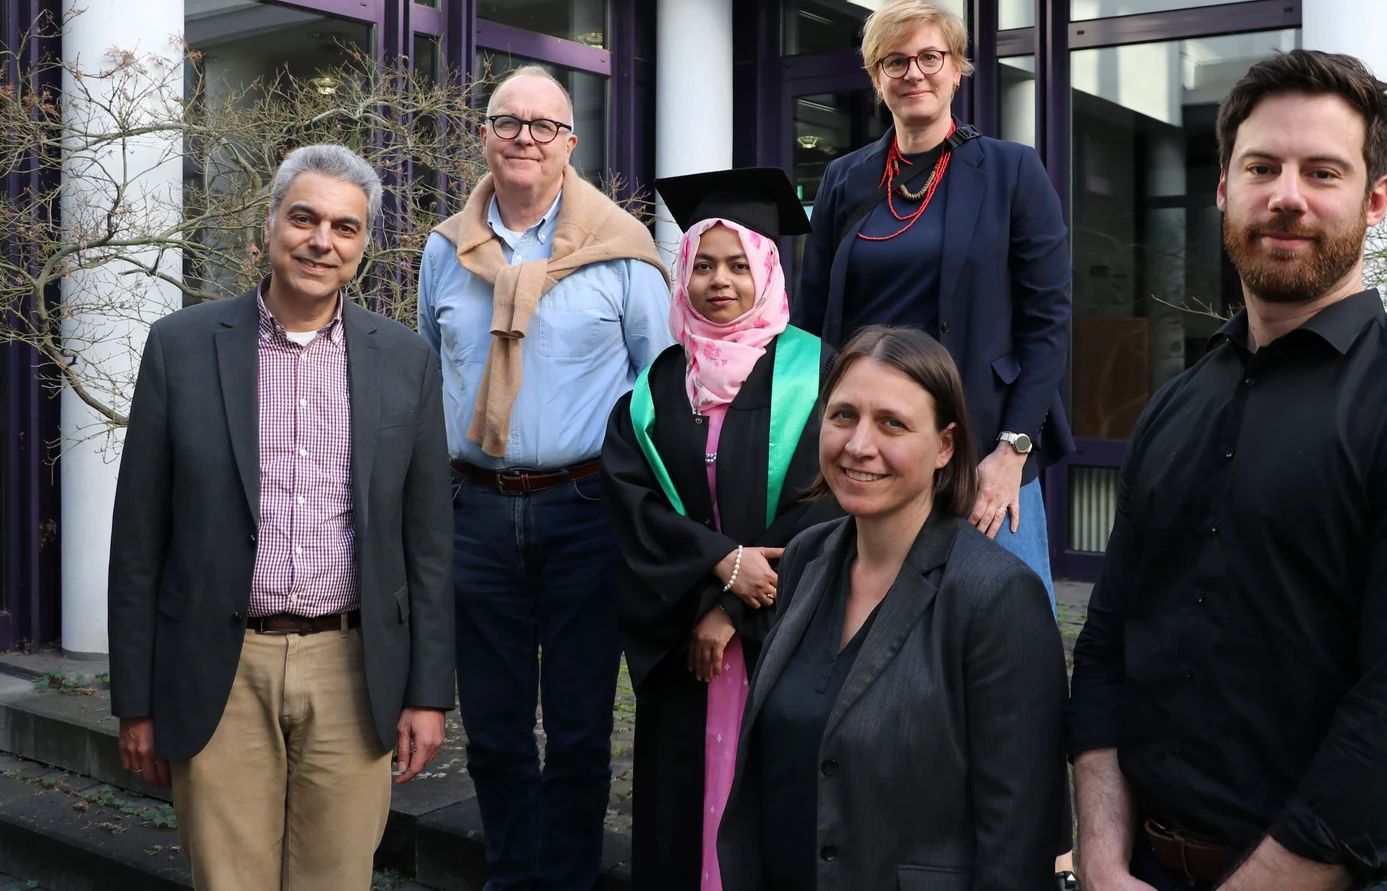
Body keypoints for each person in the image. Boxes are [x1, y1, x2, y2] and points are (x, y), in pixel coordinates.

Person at [1067, 49, 1387, 891]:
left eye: (1322, 171)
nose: (1286, 196)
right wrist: (1106, 860)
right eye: (1262, 167)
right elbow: (1110, 644)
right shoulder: (1174, 408)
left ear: (1375, 200)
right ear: (1224, 188)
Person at [108, 144, 455, 891]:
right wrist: (135, 700)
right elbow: (138, 541)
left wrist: (428, 692)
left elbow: (429, 544)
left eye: (344, 227)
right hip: (220, 667)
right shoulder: (182, 348)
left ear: (364, 245)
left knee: (337, 880)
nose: (320, 241)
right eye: (303, 218)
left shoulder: (406, 359)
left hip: (353, 668)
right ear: (269, 226)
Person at [417, 64, 672, 891]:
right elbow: (427, 376)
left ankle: (564, 881)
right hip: (476, 510)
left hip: (585, 514)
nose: (524, 137)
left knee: (578, 728)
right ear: (484, 135)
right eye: (508, 121)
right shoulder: (443, 250)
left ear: (570, 144)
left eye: (544, 126)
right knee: (490, 727)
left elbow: (659, 392)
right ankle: (511, 878)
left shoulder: (622, 254)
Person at [717, 325, 1069, 890]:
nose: (859, 445)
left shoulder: (996, 596)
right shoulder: (807, 558)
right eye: (843, 416)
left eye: (892, 424)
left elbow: (1018, 840)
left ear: (945, 446)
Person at [602, 166, 838, 890]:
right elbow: (633, 501)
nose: (719, 281)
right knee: (680, 816)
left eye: (739, 264)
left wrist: (734, 608)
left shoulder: (816, 372)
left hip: (781, 629)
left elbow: (827, 500)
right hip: (683, 635)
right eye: (702, 264)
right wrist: (717, 573)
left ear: (768, 270)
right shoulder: (658, 384)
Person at [794, 0, 1071, 605]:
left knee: (1004, 628)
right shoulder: (845, 177)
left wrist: (1012, 452)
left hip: (982, 443)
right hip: (878, 445)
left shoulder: (1012, 170)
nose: (913, 72)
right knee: (877, 630)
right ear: (876, 79)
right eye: (894, 62)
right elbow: (812, 322)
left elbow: (1047, 323)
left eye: (929, 57)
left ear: (957, 68)